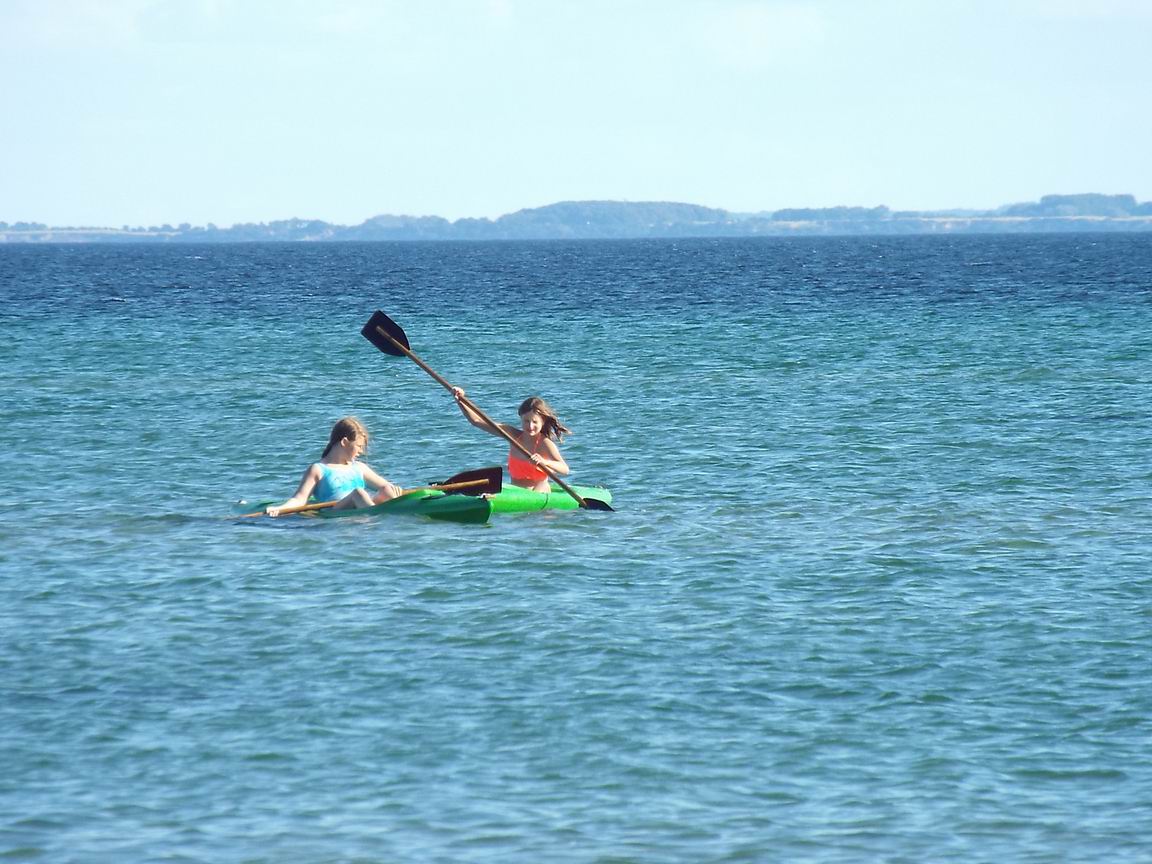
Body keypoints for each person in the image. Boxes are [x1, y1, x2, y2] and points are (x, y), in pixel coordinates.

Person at [265, 417, 403, 517]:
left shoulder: (359, 468)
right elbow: (299, 499)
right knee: (358, 493)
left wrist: (392, 489)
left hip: (361, 510)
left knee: (387, 490)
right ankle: (377, 522)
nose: (361, 451)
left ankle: (397, 520)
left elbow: (385, 487)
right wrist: (280, 508)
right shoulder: (318, 469)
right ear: (344, 442)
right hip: (336, 513)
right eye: (358, 446)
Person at [451, 387, 570, 493]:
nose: (530, 426)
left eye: (535, 422)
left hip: (539, 492)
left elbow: (565, 469)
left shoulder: (544, 443)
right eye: (526, 421)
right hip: (515, 492)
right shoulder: (512, 435)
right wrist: (460, 400)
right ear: (521, 418)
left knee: (540, 487)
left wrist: (545, 462)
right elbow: (477, 421)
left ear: (542, 422)